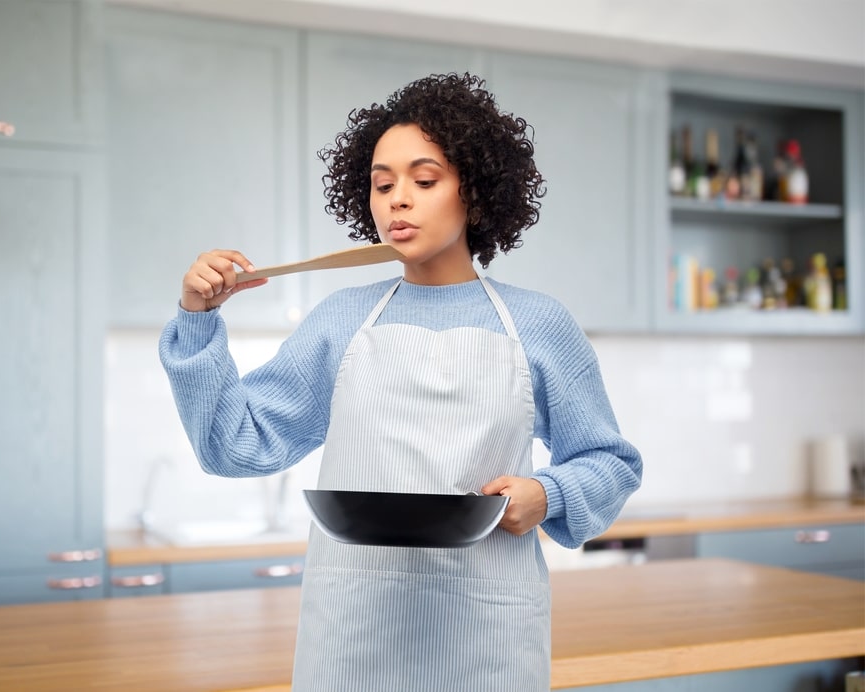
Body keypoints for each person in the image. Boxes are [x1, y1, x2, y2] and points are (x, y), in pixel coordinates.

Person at [159, 72, 642, 692]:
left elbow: (609, 461)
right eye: (382, 184)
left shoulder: (538, 323)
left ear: (475, 191)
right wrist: (198, 320)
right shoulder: (340, 320)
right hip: (354, 631)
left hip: (484, 632)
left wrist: (546, 494)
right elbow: (235, 445)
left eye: (424, 179)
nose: (397, 200)